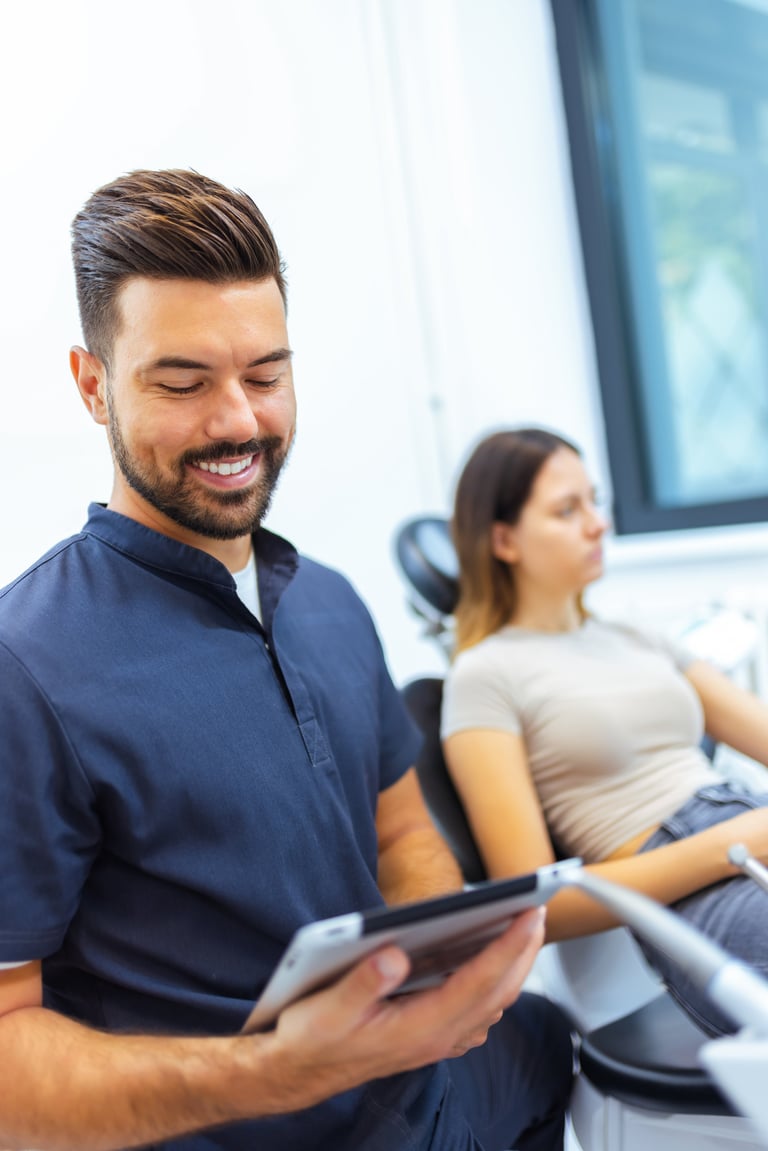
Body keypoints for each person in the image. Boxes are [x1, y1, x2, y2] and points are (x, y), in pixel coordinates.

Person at [0, 173, 573, 1151]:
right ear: (93, 385)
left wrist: (440, 972)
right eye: (182, 383)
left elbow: (403, 833)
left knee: (550, 1041)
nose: (237, 421)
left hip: (414, 1097)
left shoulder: (331, 602)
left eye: (265, 375)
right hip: (237, 1124)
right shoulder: (27, 664)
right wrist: (279, 1070)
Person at [441, 426, 768, 1038]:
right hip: (697, 879)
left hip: (745, 817)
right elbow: (540, 905)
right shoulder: (484, 675)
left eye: (594, 501)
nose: (598, 524)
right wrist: (732, 844)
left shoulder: (636, 635)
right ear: (504, 539)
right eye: (568, 510)